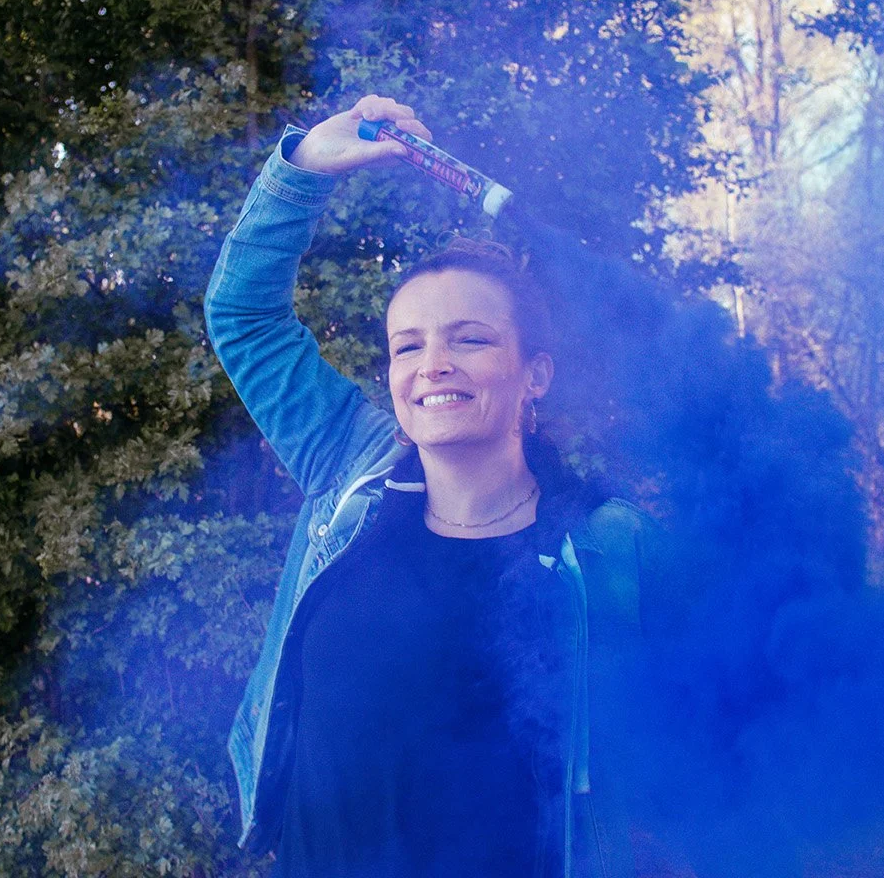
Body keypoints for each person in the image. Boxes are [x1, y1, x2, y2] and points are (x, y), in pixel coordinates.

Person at [204, 95, 666, 878]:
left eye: (471, 339)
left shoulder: (608, 544)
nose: (433, 367)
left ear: (535, 376)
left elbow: (688, 753)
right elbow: (243, 316)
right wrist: (305, 166)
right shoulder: (351, 468)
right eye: (407, 346)